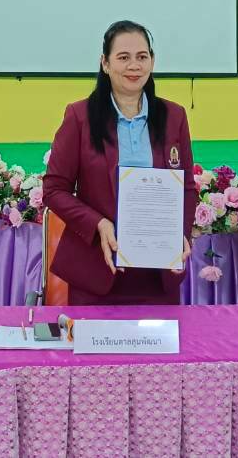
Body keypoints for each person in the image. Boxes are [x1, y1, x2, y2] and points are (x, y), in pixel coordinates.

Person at [43, 20, 196, 305]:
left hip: (159, 274)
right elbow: (54, 190)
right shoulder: (79, 116)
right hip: (96, 272)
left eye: (142, 57)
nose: (134, 66)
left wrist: (181, 234)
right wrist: (98, 224)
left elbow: (186, 188)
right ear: (105, 63)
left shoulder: (174, 116)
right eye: (123, 57)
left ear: (152, 61)